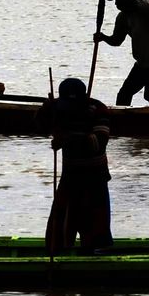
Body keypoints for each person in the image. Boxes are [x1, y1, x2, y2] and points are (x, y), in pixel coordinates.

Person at [41, 78, 113, 255]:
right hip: (70, 173)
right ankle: (58, 253)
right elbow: (40, 126)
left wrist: (67, 139)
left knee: (94, 225)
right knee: (61, 224)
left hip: (95, 175)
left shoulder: (97, 110)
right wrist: (46, 110)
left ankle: (94, 255)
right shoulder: (60, 108)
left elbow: (99, 142)